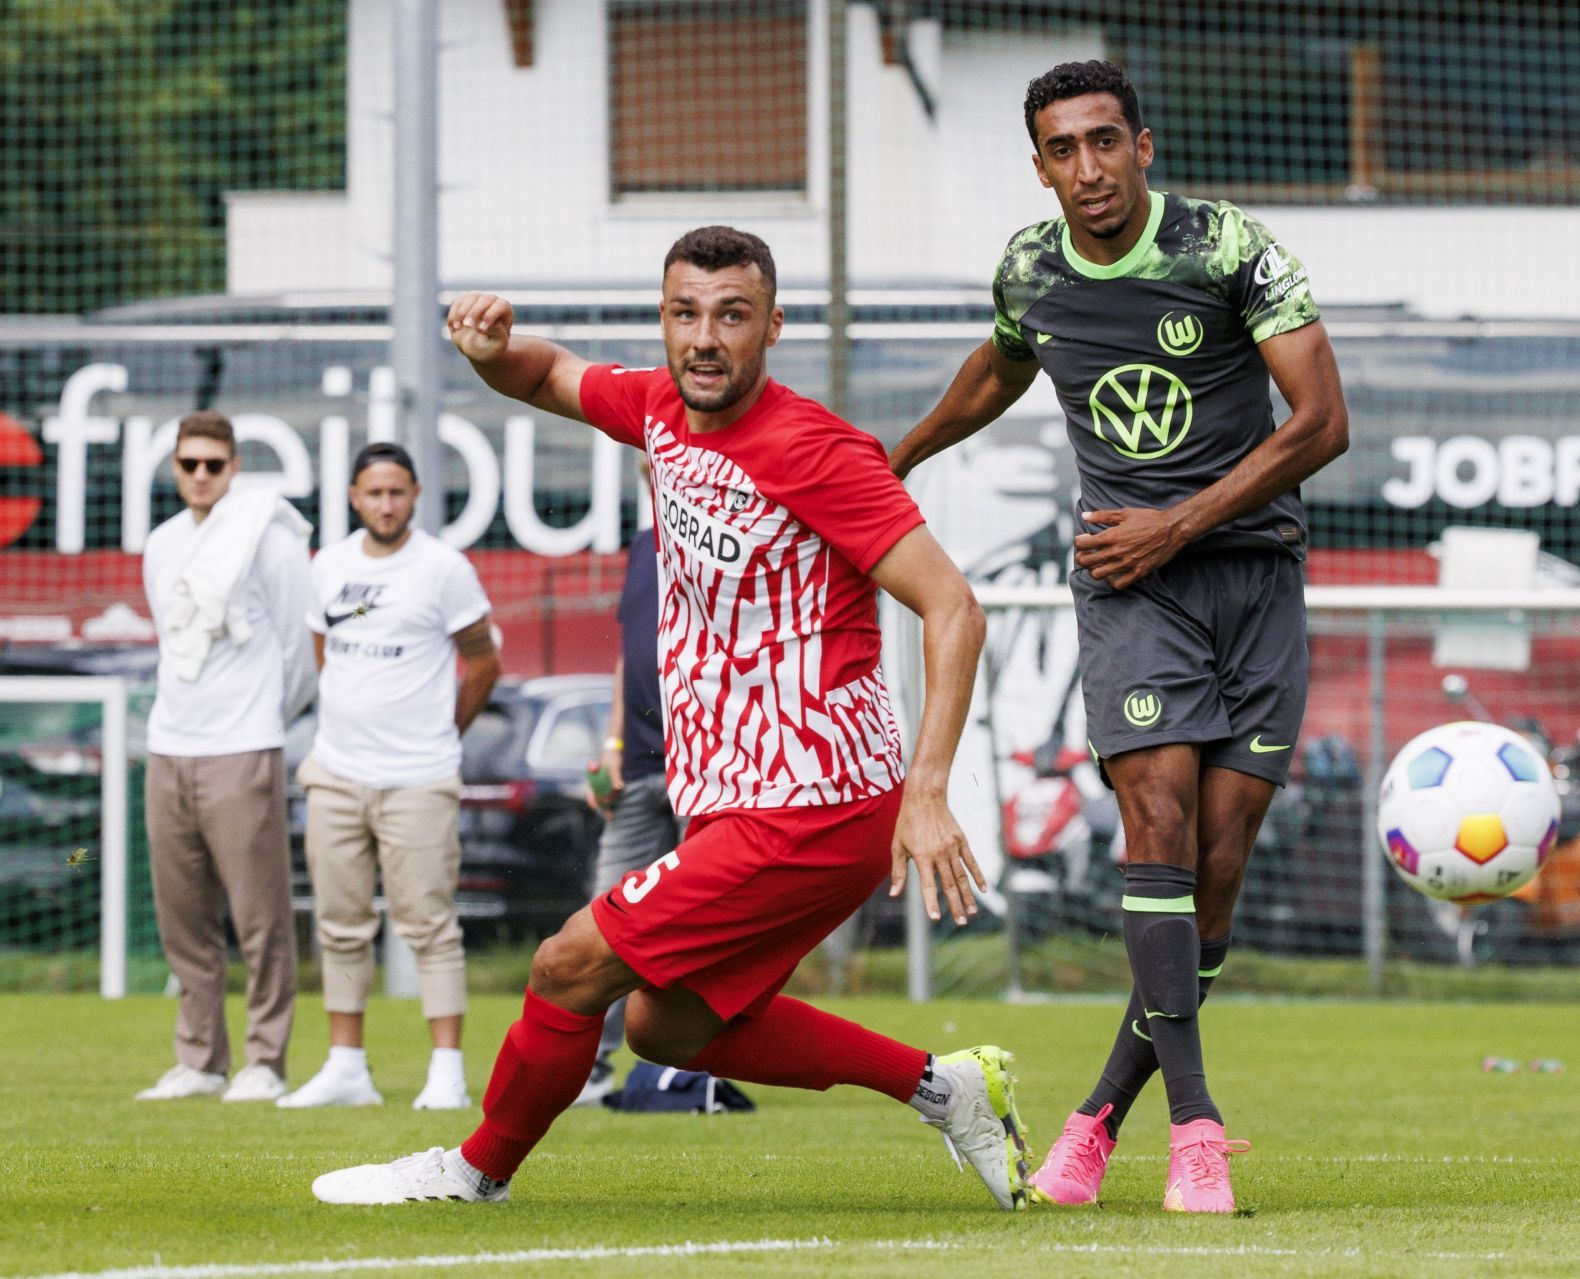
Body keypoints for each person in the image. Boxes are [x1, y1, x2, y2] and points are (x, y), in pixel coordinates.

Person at [309, 225, 1028, 1210]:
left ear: (772, 326)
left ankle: (473, 1171)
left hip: (817, 802)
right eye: (685, 313)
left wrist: (931, 793)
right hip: (739, 797)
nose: (705, 336)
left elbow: (954, 607)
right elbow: (548, 373)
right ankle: (946, 1087)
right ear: (663, 320)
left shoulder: (816, 449)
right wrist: (487, 353)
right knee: (667, 1029)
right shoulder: (657, 407)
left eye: (731, 315)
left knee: (568, 965)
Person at [889, 60, 1349, 1213]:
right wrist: (893, 457)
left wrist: (1179, 524)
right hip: (1127, 589)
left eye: (1105, 142)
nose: (1087, 168)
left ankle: (1095, 1115)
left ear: (1144, 146)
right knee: (1158, 818)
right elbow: (999, 366)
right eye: (1062, 149)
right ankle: (1197, 1129)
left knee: (1218, 870)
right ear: (1039, 165)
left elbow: (1325, 422)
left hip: (1251, 579)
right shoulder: (1032, 269)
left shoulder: (1228, 248)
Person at [279, 442, 503, 1111]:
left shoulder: (444, 568)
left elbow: (483, 663)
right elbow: (326, 656)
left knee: (430, 923)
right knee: (339, 923)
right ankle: (347, 1066)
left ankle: (446, 1071)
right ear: (353, 496)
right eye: (373, 493)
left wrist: (441, 733)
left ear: (416, 494)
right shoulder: (329, 566)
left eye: (396, 492)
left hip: (420, 779)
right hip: (337, 773)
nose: (385, 504)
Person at [137, 410, 313, 1103]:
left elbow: (302, 647)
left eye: (214, 464)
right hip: (168, 742)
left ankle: (265, 1058)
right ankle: (201, 1058)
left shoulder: (268, 538)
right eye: (190, 464)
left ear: (235, 467)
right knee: (182, 915)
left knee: (260, 915)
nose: (202, 476)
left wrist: (265, 715)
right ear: (175, 468)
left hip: (242, 745)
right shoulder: (159, 543)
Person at [572, 495, 682, 1107]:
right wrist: (613, 743)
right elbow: (629, 659)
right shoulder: (644, 544)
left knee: (709, 923)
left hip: (710, 766)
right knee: (604, 918)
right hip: (637, 766)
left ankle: (700, 1067)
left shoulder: (730, 530)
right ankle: (590, 1070)